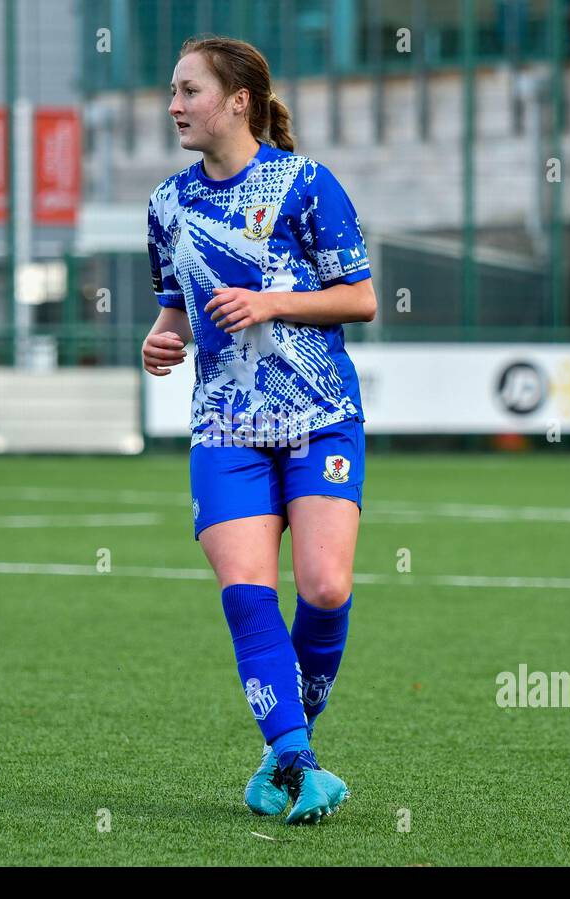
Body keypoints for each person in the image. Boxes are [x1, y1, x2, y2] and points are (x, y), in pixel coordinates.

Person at [143, 36, 377, 825]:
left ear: (237, 100)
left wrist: (273, 302)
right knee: (249, 598)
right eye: (172, 92)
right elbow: (176, 309)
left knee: (325, 588)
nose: (174, 106)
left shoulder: (306, 186)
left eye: (188, 91)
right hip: (224, 427)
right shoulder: (167, 205)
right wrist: (159, 338)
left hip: (318, 419)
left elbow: (360, 299)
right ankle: (296, 761)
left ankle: (288, 748)